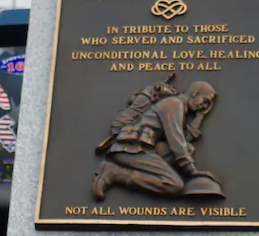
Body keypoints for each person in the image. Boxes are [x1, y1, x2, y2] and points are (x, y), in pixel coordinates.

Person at [92, 79, 220, 198]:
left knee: (189, 148)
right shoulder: (174, 103)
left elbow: (183, 142)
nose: (204, 106)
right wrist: (192, 171)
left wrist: (199, 117)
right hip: (131, 148)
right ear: (195, 93)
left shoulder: (179, 107)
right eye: (205, 101)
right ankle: (115, 173)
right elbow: (176, 141)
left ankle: (139, 171)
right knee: (174, 184)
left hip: (145, 149)